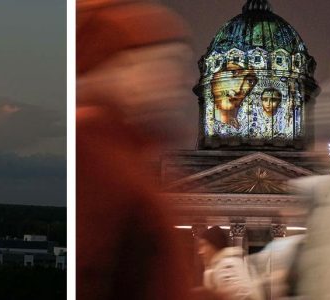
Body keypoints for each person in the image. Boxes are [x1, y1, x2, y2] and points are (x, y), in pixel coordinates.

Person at [77, 0, 210, 299]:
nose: (185, 79)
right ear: (122, 67)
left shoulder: (128, 155)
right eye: (167, 63)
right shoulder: (98, 159)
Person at [197, 226, 263, 300]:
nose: (200, 252)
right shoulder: (222, 265)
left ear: (214, 244)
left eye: (204, 245)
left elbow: (243, 296)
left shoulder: (227, 265)